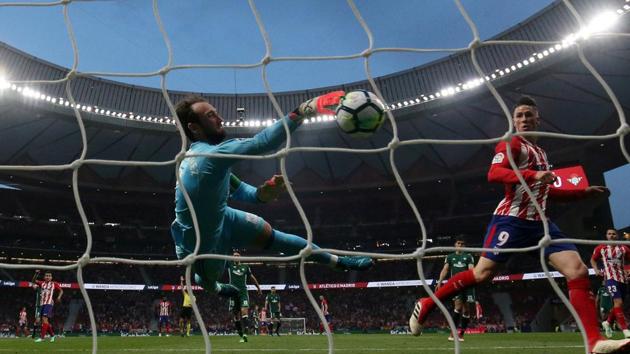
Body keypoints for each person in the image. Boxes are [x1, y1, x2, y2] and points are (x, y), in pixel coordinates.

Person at [408, 96, 630, 353]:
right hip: (511, 221)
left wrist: (583, 192)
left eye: (528, 115)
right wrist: (533, 174)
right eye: (519, 116)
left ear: (538, 119)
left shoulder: (542, 154)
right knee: (482, 274)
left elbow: (547, 193)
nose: (524, 119)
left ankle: (594, 342)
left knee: (577, 271)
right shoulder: (511, 143)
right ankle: (427, 303)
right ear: (514, 121)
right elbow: (495, 173)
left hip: (541, 225)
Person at [170, 92, 373, 302]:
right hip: (199, 245)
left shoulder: (203, 159)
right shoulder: (209, 157)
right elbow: (262, 143)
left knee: (273, 236)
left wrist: (261, 194)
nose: (220, 119)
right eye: (211, 115)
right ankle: (218, 288)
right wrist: (301, 112)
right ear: (194, 127)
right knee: (206, 279)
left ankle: (337, 262)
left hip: (223, 218)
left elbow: (241, 192)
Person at [591, 229, 630, 339]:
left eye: (613, 234)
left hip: (623, 279)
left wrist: (629, 270)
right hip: (610, 278)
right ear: (606, 235)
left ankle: (607, 322)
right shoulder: (601, 248)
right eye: (609, 234)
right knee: (618, 302)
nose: (611, 235)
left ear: (617, 236)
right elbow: (593, 260)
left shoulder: (624, 248)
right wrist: (596, 269)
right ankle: (625, 329)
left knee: (618, 305)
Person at [435, 237, 476, 341]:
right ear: (455, 244)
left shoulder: (468, 256)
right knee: (458, 307)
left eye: (462, 243)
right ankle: (453, 333)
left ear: (465, 246)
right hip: (456, 286)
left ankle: (461, 334)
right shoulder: (450, 257)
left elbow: (471, 270)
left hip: (467, 285)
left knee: (466, 310)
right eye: (459, 243)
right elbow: (445, 269)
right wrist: (439, 282)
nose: (460, 245)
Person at [227, 251, 262, 343]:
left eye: (238, 255)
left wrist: (258, 287)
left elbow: (252, 277)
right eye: (234, 256)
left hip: (243, 293)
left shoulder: (245, 267)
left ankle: (246, 333)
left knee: (244, 312)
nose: (236, 257)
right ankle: (241, 335)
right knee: (236, 316)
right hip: (233, 293)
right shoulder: (229, 265)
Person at [32, 270, 62, 343]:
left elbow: (61, 291)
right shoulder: (42, 283)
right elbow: (33, 281)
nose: (48, 277)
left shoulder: (54, 284)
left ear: (51, 277)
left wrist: (59, 297)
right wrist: (36, 274)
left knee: (44, 319)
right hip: (42, 304)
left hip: (49, 303)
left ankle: (42, 338)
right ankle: (52, 335)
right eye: (46, 276)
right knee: (45, 321)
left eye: (49, 276)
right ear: (44, 277)